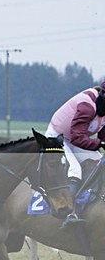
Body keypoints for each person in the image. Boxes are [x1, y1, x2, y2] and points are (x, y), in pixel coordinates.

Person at [45, 80, 105, 226]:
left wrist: (102, 143)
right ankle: (69, 212)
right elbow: (77, 138)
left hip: (74, 139)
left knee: (98, 162)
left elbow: (102, 136)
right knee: (74, 168)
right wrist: (100, 144)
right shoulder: (87, 106)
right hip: (56, 138)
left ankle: (87, 201)